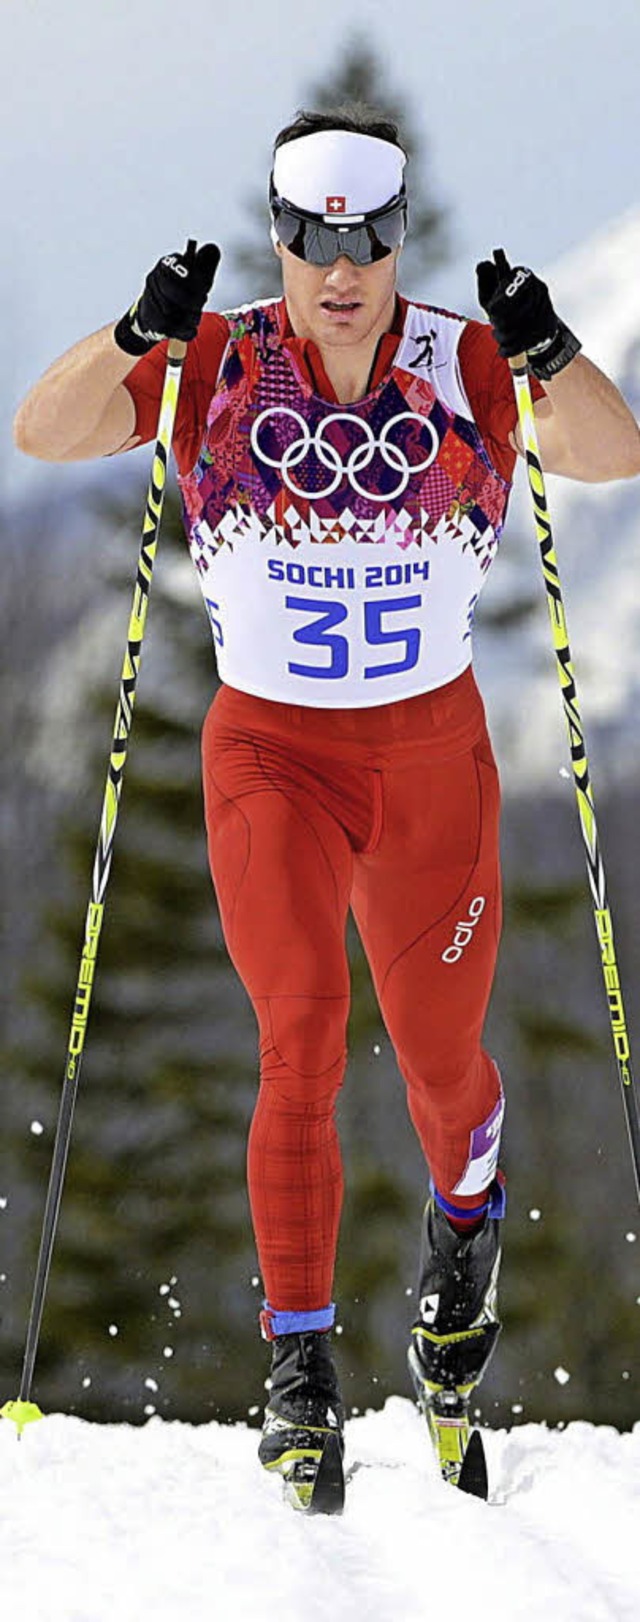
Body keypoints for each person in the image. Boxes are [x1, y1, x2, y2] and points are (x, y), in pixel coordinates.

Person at [14, 106, 640, 1496]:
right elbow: (43, 432)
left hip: (428, 766)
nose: (339, 267)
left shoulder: (461, 362)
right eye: (309, 237)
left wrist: (546, 346)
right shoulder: (219, 360)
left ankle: (460, 1244)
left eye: (364, 237)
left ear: (399, 236)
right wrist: (135, 329)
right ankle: (299, 1375)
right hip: (271, 761)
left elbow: (611, 452)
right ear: (280, 237)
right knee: (297, 1028)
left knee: (439, 1067)